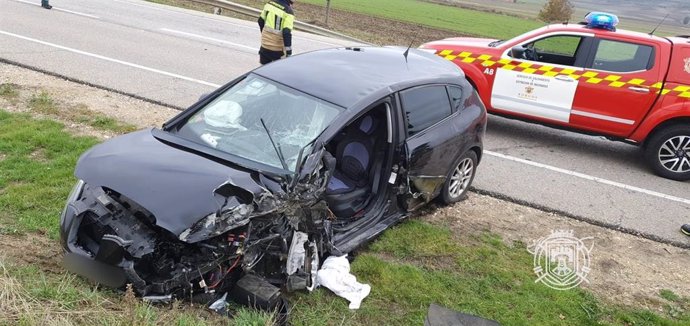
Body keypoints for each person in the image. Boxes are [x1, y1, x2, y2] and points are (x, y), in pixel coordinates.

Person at [257, 0, 294, 65]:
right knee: (276, 72)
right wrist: (289, 52)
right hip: (277, 49)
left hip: (264, 45)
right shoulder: (288, 11)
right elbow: (286, 32)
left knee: (263, 69)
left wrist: (265, 36)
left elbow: (260, 21)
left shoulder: (269, 4)